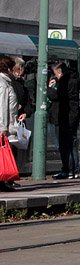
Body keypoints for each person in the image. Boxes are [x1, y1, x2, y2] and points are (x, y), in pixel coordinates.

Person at [48, 62, 79, 179]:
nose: (55, 76)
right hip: (72, 116)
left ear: (59, 72)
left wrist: (50, 88)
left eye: (55, 74)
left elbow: (56, 96)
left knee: (64, 145)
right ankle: (74, 170)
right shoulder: (74, 80)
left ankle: (67, 169)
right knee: (72, 145)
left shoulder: (65, 82)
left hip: (64, 117)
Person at [0, 56, 20, 190]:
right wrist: (2, 127)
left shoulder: (6, 82)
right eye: (13, 68)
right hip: (3, 124)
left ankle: (3, 181)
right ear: (8, 69)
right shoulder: (2, 83)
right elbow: (2, 106)